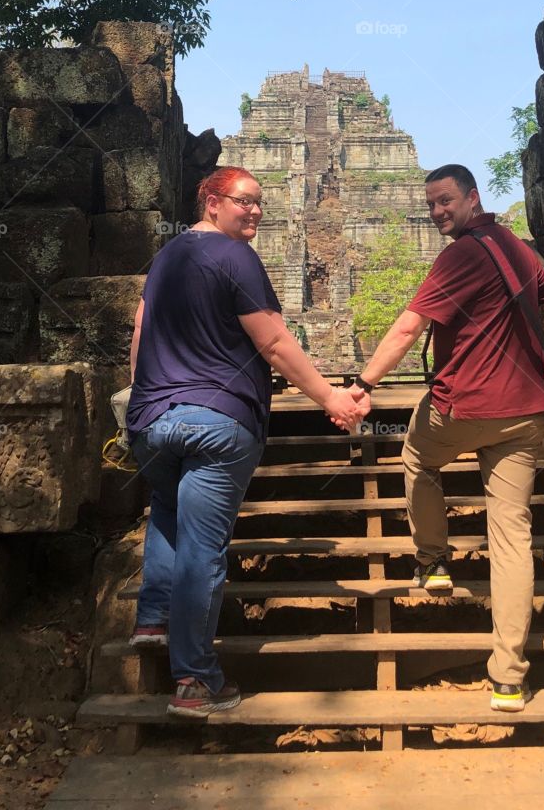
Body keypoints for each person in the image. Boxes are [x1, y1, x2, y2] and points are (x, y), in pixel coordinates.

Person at [353, 164, 544, 713]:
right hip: (525, 414)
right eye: (431, 203)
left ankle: (434, 560)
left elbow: (409, 327)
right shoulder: (514, 247)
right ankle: (508, 676)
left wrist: (363, 385)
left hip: (460, 409)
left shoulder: (457, 255)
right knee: (511, 538)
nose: (438, 213)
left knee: (416, 459)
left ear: (472, 198)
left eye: (446, 202)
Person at [126, 165, 368, 719]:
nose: (255, 211)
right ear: (211, 202)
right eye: (244, 202)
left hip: (154, 423)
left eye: (260, 203)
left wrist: (139, 400)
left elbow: (140, 333)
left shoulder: (166, 258)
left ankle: (152, 622)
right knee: (204, 551)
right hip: (217, 422)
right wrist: (330, 399)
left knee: (166, 508)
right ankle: (194, 680)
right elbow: (276, 344)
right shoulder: (237, 258)